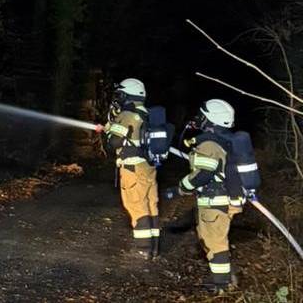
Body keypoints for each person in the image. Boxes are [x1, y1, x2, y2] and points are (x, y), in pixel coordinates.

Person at [164, 99, 241, 293]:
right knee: (215, 240)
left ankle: (221, 285)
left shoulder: (209, 145)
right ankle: (223, 279)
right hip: (221, 201)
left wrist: (180, 188)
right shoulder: (223, 141)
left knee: (214, 242)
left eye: (202, 115)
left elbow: (203, 175)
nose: (199, 118)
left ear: (211, 119)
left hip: (214, 203)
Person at [101, 78, 160, 258]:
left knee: (136, 206)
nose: (118, 98)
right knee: (151, 206)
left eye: (120, 94)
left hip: (132, 169)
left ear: (127, 95)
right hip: (148, 168)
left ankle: (142, 249)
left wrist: (110, 128)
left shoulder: (126, 115)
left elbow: (114, 142)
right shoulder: (145, 114)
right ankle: (153, 247)